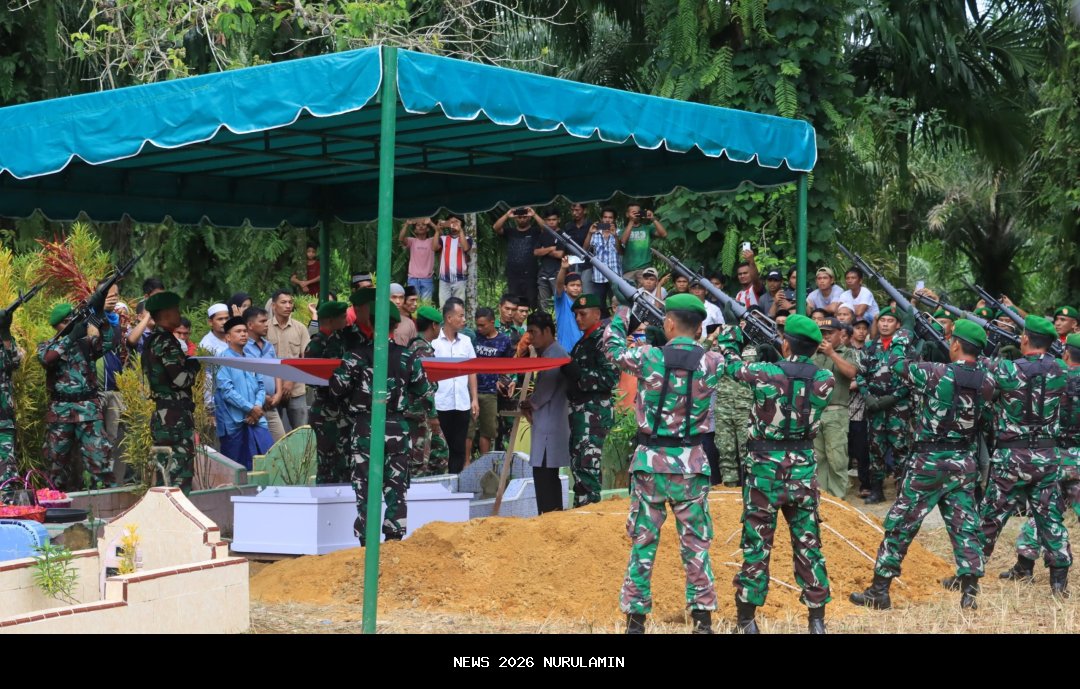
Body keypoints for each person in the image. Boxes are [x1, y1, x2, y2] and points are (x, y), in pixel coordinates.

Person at [850, 319, 995, 611]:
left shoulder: (934, 373)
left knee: (901, 524)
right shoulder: (988, 382)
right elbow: (986, 421)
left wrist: (903, 336)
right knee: (965, 524)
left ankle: (880, 591)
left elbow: (896, 364)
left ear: (955, 344)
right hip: (963, 461)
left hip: (928, 461)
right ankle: (969, 592)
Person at [604, 294, 724, 635]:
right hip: (692, 464)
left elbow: (612, 349)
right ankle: (702, 622)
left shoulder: (649, 357)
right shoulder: (712, 361)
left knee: (643, 542)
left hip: (650, 464)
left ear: (669, 324)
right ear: (699, 328)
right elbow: (730, 347)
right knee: (696, 545)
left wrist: (624, 314)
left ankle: (635, 623)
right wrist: (726, 333)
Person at [715, 314, 835, 634]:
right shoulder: (825, 378)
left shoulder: (766, 373)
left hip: (764, 469)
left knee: (757, 543)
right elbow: (797, 376)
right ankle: (817, 621)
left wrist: (734, 335)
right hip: (803, 470)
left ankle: (747, 621)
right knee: (808, 543)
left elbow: (729, 363)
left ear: (785, 342)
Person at [975, 315, 1072, 597]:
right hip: (1047, 455)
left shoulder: (1006, 370)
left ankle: (970, 573)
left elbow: (985, 394)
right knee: (1050, 517)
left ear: (1025, 339)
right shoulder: (1062, 371)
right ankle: (1058, 582)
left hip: (1011, 457)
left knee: (991, 516)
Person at [328, 302, 429, 544]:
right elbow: (424, 388)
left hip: (365, 427)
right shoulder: (408, 357)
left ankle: (366, 541)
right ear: (396, 325)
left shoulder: (355, 356)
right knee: (396, 486)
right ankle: (394, 538)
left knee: (365, 485)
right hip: (397, 427)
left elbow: (335, 388)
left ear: (370, 324)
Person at [1008, 332, 1080, 581]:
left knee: (1041, 512)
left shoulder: (1055, 376)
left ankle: (1024, 566)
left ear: (1067, 353)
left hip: (1054, 454)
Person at [39, 303, 115, 490]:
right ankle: (55, 503)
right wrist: (71, 336)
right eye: (66, 322)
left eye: (72, 320)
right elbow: (47, 359)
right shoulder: (48, 346)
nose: (71, 325)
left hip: (88, 410)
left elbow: (109, 342)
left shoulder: (87, 344)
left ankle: (106, 503)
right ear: (57, 326)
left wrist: (100, 315)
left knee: (99, 460)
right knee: (56, 463)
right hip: (60, 412)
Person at [562, 293, 620, 506]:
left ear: (597, 314)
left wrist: (580, 375)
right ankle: (583, 505)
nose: (578, 318)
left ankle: (589, 508)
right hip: (580, 410)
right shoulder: (583, 342)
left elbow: (611, 377)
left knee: (588, 463)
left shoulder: (603, 340)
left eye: (583, 314)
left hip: (594, 411)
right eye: (576, 314)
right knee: (579, 462)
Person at [141, 292, 202, 492]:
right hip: (175, 418)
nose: (179, 314)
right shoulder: (166, 342)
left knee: (164, 473)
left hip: (163, 416)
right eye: (176, 310)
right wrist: (194, 366)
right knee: (179, 475)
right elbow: (181, 379)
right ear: (166, 313)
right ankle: (177, 521)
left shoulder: (152, 340)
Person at [858, 306, 913, 504]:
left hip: (898, 407)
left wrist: (895, 397)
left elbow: (912, 377)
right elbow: (860, 375)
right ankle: (876, 490)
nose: (885, 324)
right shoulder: (870, 347)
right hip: (875, 407)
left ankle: (902, 491)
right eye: (882, 320)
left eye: (890, 321)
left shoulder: (906, 348)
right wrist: (868, 397)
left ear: (898, 325)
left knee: (901, 448)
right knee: (875, 449)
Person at [520, 310, 570, 514]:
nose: (530, 337)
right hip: (548, 421)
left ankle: (550, 516)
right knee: (545, 475)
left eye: (533, 332)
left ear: (547, 331)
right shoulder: (551, 353)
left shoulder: (556, 355)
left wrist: (529, 403)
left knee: (545, 475)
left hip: (551, 423)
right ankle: (550, 515)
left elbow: (544, 392)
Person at [307, 300, 361, 484]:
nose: (346, 320)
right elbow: (313, 380)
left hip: (343, 413)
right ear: (330, 320)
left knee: (345, 462)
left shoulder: (343, 339)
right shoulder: (316, 345)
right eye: (342, 317)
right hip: (326, 412)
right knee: (327, 463)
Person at [812, 317, 861, 499]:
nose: (825, 337)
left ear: (841, 334)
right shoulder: (813, 354)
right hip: (815, 412)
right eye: (822, 333)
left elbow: (851, 373)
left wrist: (832, 353)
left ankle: (838, 499)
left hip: (836, 411)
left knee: (837, 458)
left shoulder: (847, 352)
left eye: (830, 333)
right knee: (818, 458)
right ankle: (822, 499)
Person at [214, 317, 271, 470]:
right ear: (227, 337)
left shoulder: (252, 359)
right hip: (234, 421)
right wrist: (250, 409)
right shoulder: (222, 360)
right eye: (238, 331)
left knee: (266, 461)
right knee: (236, 468)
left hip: (257, 418)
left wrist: (257, 407)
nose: (243, 334)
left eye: (245, 331)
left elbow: (261, 385)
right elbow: (227, 391)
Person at [433, 299, 479, 473]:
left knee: (459, 448)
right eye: (460, 316)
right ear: (449, 318)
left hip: (461, 403)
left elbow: (472, 371)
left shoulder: (466, 341)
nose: (464, 319)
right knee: (440, 448)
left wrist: (474, 398)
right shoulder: (434, 343)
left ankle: (454, 486)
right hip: (441, 403)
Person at [404, 306, 450, 477]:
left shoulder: (418, 346)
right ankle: (418, 494)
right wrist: (432, 414)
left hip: (420, 411)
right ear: (433, 326)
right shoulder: (421, 349)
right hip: (418, 413)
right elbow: (425, 386)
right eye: (440, 325)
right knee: (418, 461)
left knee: (440, 453)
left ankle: (434, 487)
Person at [467, 308, 514, 459]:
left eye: (483, 325)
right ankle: (466, 463)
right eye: (477, 325)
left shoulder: (504, 341)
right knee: (468, 430)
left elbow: (508, 367)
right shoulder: (473, 337)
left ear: (492, 323)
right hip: (469, 390)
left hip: (490, 392)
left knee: (488, 431)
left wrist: (504, 381)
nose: (479, 329)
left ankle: (484, 464)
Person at [266, 289, 311, 433]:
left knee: (301, 432)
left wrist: (291, 380)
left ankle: (302, 457)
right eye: (283, 302)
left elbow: (306, 359)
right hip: (272, 391)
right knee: (274, 435)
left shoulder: (300, 328)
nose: (288, 306)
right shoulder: (265, 328)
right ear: (274, 306)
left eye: (290, 302)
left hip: (296, 389)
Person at [243, 307, 286, 443]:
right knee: (260, 448)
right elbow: (246, 377)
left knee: (282, 444)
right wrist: (263, 397)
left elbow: (276, 369)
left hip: (271, 405)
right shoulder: (243, 348)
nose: (266, 324)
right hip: (254, 406)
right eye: (262, 321)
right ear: (250, 325)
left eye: (266, 321)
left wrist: (278, 393)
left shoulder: (268, 346)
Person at [493, 207, 541, 309]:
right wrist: (507, 215)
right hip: (513, 275)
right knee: (514, 303)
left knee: (531, 303)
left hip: (531, 275)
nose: (522, 219)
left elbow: (546, 228)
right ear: (515, 219)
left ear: (529, 218)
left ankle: (531, 324)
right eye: (519, 217)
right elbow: (496, 228)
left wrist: (534, 214)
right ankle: (516, 325)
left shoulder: (535, 231)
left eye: (524, 217)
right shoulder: (510, 232)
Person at [849, 318, 872, 497]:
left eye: (865, 328)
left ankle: (865, 484)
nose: (861, 331)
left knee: (862, 449)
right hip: (843, 407)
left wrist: (858, 383)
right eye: (858, 328)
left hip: (862, 410)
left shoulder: (871, 351)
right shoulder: (845, 351)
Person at [0, 304, 22, 486]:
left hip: (3, 420)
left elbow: (15, 362)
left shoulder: (3, 343)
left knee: (7, 474)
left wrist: (5, 333)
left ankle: (8, 511)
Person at [619, 202, 668, 285]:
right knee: (627, 296)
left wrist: (653, 219)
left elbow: (664, 234)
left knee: (644, 295)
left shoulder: (647, 228)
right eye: (633, 212)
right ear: (627, 214)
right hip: (628, 270)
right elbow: (623, 242)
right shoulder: (623, 230)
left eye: (638, 212)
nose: (636, 214)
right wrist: (631, 221)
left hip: (644, 269)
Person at [584, 207, 622, 307]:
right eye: (605, 217)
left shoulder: (619, 232)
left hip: (614, 276)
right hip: (598, 276)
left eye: (610, 217)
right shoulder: (595, 233)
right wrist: (589, 233)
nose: (607, 220)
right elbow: (585, 250)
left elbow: (621, 251)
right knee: (599, 306)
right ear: (601, 219)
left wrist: (615, 236)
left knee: (617, 304)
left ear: (614, 219)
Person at [434, 215, 471, 308]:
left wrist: (460, 230)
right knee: (443, 306)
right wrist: (437, 231)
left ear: (461, 224)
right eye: (451, 221)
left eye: (456, 221)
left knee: (459, 306)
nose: (453, 224)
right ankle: (444, 322)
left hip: (460, 278)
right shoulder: (443, 238)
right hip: (444, 278)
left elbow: (465, 248)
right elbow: (434, 248)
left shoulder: (467, 238)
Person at [532, 208, 565, 312]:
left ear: (558, 220)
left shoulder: (562, 234)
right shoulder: (543, 235)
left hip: (557, 274)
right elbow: (536, 252)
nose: (551, 222)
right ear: (545, 221)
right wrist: (551, 248)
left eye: (554, 219)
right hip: (543, 274)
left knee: (560, 302)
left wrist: (544, 250)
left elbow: (560, 254)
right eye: (548, 220)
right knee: (543, 304)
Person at [399, 218, 437, 300]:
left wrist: (431, 223)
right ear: (415, 231)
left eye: (423, 225)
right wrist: (406, 224)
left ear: (427, 229)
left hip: (427, 279)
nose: (421, 227)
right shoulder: (412, 241)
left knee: (426, 306)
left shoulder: (432, 241)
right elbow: (401, 238)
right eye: (418, 225)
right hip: (413, 278)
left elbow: (439, 232)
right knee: (413, 304)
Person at [553, 257, 585, 352]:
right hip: (565, 350)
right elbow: (559, 284)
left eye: (578, 285)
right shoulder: (561, 301)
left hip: (581, 350)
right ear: (565, 288)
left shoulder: (584, 303)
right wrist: (563, 269)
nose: (575, 288)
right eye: (572, 285)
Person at [564, 202, 595, 292]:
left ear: (585, 210)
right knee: (573, 293)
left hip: (587, 265)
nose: (574, 213)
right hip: (572, 265)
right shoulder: (568, 226)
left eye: (577, 210)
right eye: (572, 210)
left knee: (586, 293)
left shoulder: (591, 225)